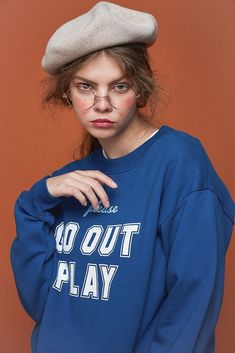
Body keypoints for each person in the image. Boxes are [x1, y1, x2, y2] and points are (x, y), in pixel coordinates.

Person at [10, 2, 234, 353]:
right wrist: (35, 201)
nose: (101, 104)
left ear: (141, 90)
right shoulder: (69, 183)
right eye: (86, 86)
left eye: (118, 86)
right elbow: (42, 304)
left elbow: (193, 300)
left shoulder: (179, 163)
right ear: (67, 93)